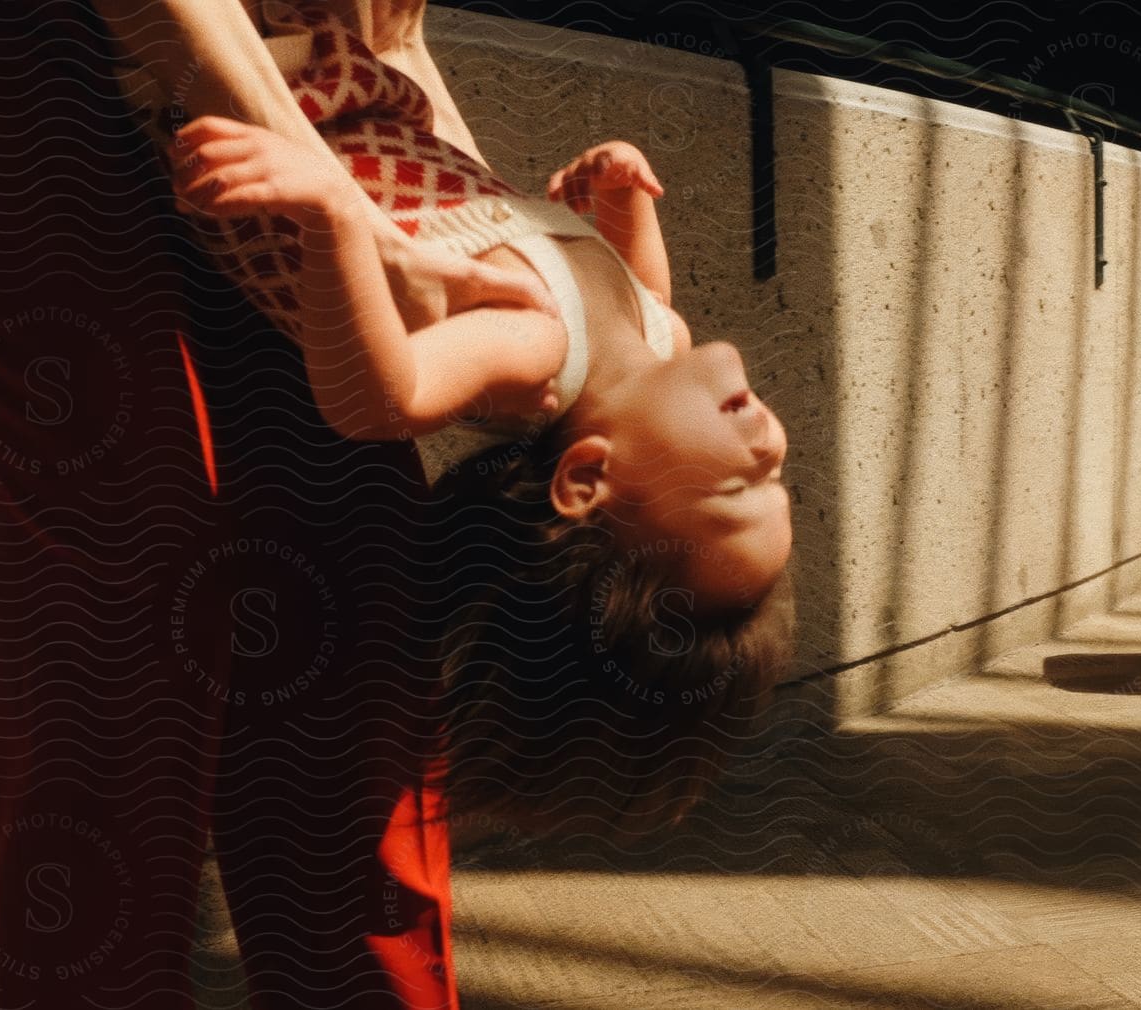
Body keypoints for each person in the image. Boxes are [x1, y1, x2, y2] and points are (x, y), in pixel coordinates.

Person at [0, 1, 485, 1004]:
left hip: (266, 39)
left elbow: (391, 33)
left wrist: (444, 229)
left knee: (354, 576)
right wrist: (348, 212)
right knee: (122, 592)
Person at [169, 2, 796, 833]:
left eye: (734, 486)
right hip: (354, 85)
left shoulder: (532, 348)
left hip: (284, 104)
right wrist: (621, 200)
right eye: (777, 476)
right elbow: (649, 293)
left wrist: (333, 217)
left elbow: (381, 402)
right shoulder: (656, 333)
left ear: (587, 477)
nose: (766, 444)